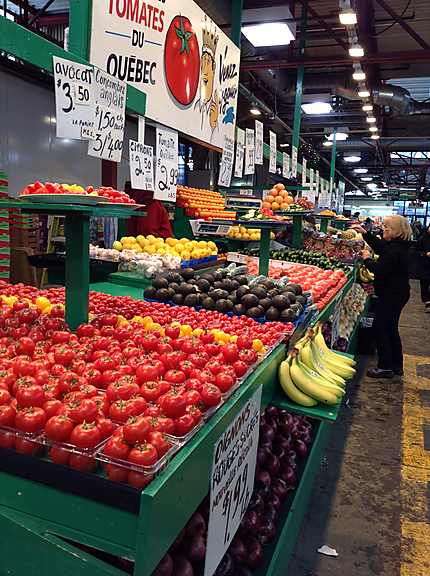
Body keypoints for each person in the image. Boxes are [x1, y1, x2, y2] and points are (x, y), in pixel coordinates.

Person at [352, 215, 412, 379]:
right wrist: (365, 234)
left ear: (395, 231)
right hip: (398, 293)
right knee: (391, 328)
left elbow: (379, 270)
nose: (383, 230)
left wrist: (366, 260)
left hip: (391, 294)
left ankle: (385, 366)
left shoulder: (395, 251)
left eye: (386, 228)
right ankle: (396, 365)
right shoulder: (398, 246)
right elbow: (381, 248)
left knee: (381, 328)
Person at [415, 224, 430, 310]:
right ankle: (426, 301)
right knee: (424, 285)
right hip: (424, 266)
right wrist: (425, 254)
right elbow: (415, 251)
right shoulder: (422, 239)